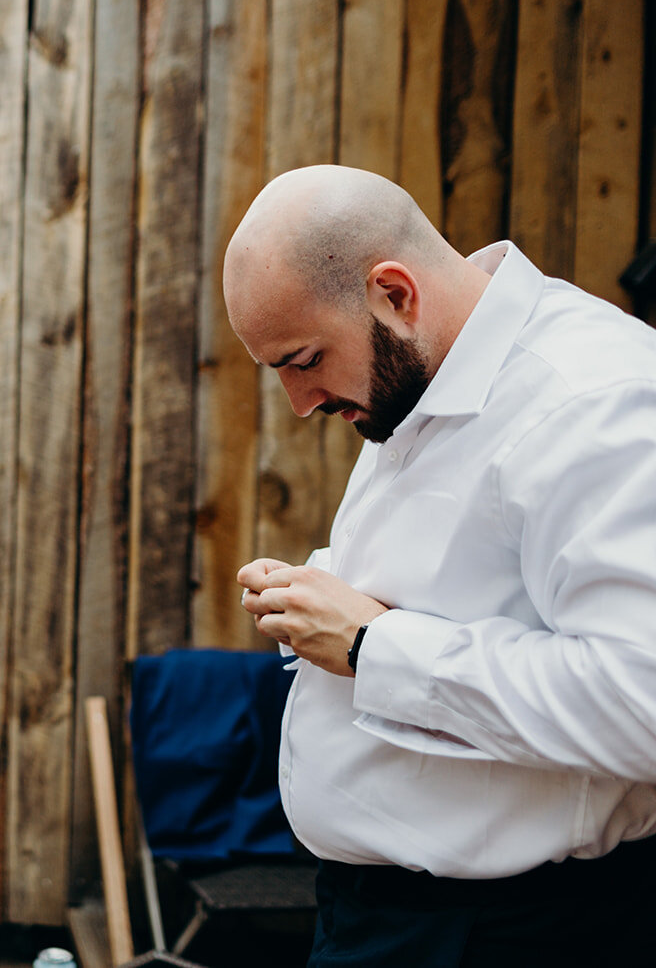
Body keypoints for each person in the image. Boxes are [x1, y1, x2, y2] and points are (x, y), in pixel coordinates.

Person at [223, 164, 656, 966]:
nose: (300, 401)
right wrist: (320, 597)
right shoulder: (426, 375)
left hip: (507, 932)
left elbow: (642, 701)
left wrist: (371, 647)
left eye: (305, 358)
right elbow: (472, 574)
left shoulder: (595, 401)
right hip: (388, 918)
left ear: (394, 292)